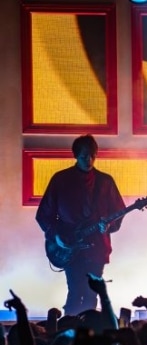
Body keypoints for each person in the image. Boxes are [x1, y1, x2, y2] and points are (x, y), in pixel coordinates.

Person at [36, 134, 126, 316]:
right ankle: (70, 332)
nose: (89, 160)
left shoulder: (105, 181)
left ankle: (88, 335)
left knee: (92, 294)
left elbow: (118, 212)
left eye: (93, 155)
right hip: (69, 246)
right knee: (76, 291)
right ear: (76, 155)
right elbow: (44, 215)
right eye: (84, 156)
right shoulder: (61, 179)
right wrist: (57, 236)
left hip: (97, 247)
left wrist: (109, 226)